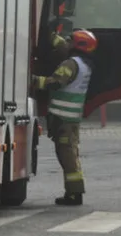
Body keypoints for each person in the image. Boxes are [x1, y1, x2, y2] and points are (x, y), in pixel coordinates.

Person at [33, 28, 98, 206]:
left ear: (77, 45)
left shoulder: (70, 64)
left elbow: (55, 82)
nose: (67, 43)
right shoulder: (84, 64)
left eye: (70, 41)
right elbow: (63, 45)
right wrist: (52, 36)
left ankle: (74, 194)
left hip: (64, 120)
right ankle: (73, 192)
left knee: (67, 156)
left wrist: (32, 80)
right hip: (70, 120)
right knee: (70, 154)